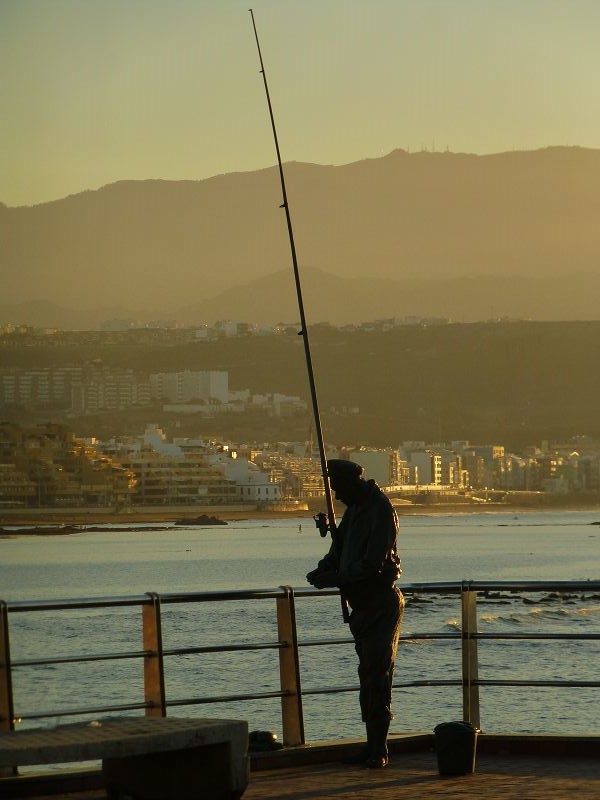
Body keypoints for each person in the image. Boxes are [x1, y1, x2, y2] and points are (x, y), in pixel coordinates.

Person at [306, 459, 404, 769]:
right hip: (362, 606)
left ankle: (379, 749)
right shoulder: (356, 510)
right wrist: (325, 568)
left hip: (380, 604)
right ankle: (372, 744)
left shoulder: (380, 509)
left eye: (338, 488)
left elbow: (373, 562)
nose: (336, 496)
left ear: (352, 483)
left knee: (378, 677)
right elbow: (339, 552)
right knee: (367, 677)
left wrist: (338, 578)